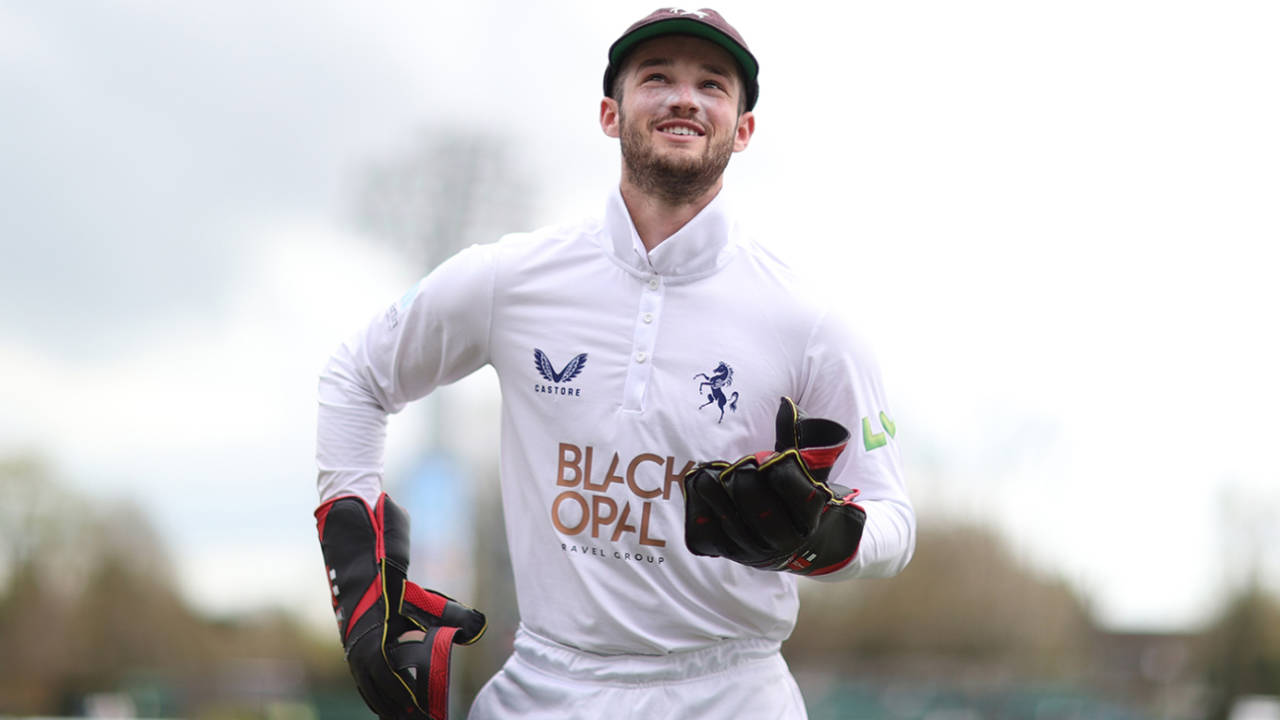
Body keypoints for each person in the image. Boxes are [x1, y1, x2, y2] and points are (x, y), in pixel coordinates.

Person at [314, 8, 915, 720]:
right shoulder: (512, 277)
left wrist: (826, 538)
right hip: (542, 684)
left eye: (713, 85)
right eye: (657, 77)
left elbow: (893, 519)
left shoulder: (808, 320)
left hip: (732, 691)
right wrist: (358, 583)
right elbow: (356, 376)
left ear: (743, 129)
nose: (684, 97)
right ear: (610, 112)